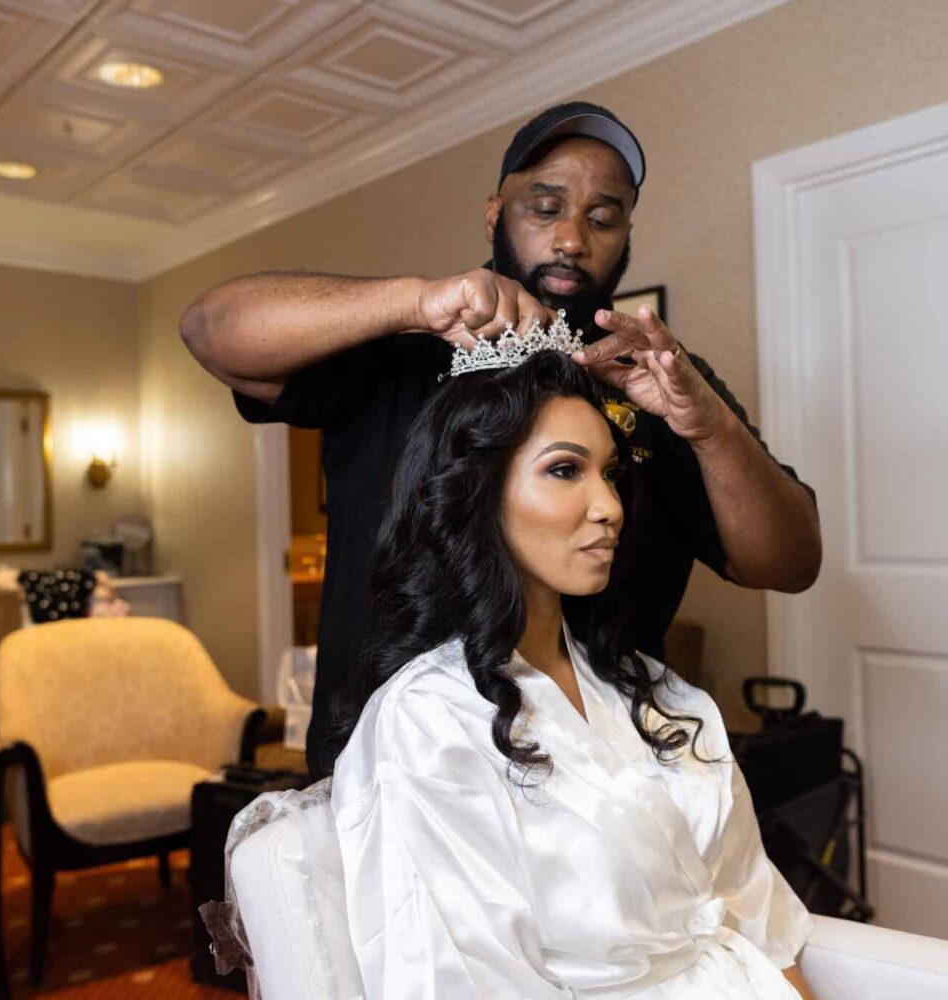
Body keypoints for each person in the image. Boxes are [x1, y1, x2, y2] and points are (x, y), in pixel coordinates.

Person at [180, 101, 821, 779]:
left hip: (592, 782)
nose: (572, 238)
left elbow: (790, 563)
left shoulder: (664, 381)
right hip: (392, 773)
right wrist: (415, 304)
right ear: (494, 213)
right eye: (546, 208)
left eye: (602, 218)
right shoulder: (398, 347)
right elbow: (208, 329)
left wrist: (708, 427)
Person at [327, 342, 818, 999]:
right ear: (477, 492)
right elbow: (456, 981)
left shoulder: (657, 693)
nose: (610, 506)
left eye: (610, 474)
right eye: (565, 471)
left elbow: (763, 929)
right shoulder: (430, 721)